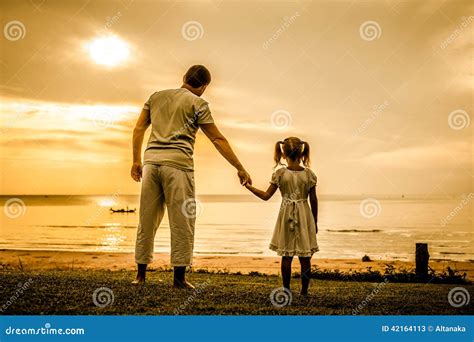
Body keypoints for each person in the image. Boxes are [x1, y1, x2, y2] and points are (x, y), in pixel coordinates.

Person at [131, 65, 251, 288]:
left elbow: (139, 129)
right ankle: (179, 279)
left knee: (146, 220)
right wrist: (239, 167)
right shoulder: (198, 103)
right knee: (182, 221)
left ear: (184, 77)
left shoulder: (155, 97)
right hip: (179, 166)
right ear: (204, 86)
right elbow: (217, 139)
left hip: (151, 163)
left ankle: (140, 276)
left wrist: (136, 161)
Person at [244, 137, 318, 295]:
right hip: (305, 214)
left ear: (283, 154)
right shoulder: (309, 174)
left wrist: (248, 186)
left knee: (286, 255)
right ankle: (304, 291)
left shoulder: (280, 174)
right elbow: (313, 200)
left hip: (286, 214)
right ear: (302, 153)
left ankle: (286, 290)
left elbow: (265, 196)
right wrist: (315, 222)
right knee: (305, 258)